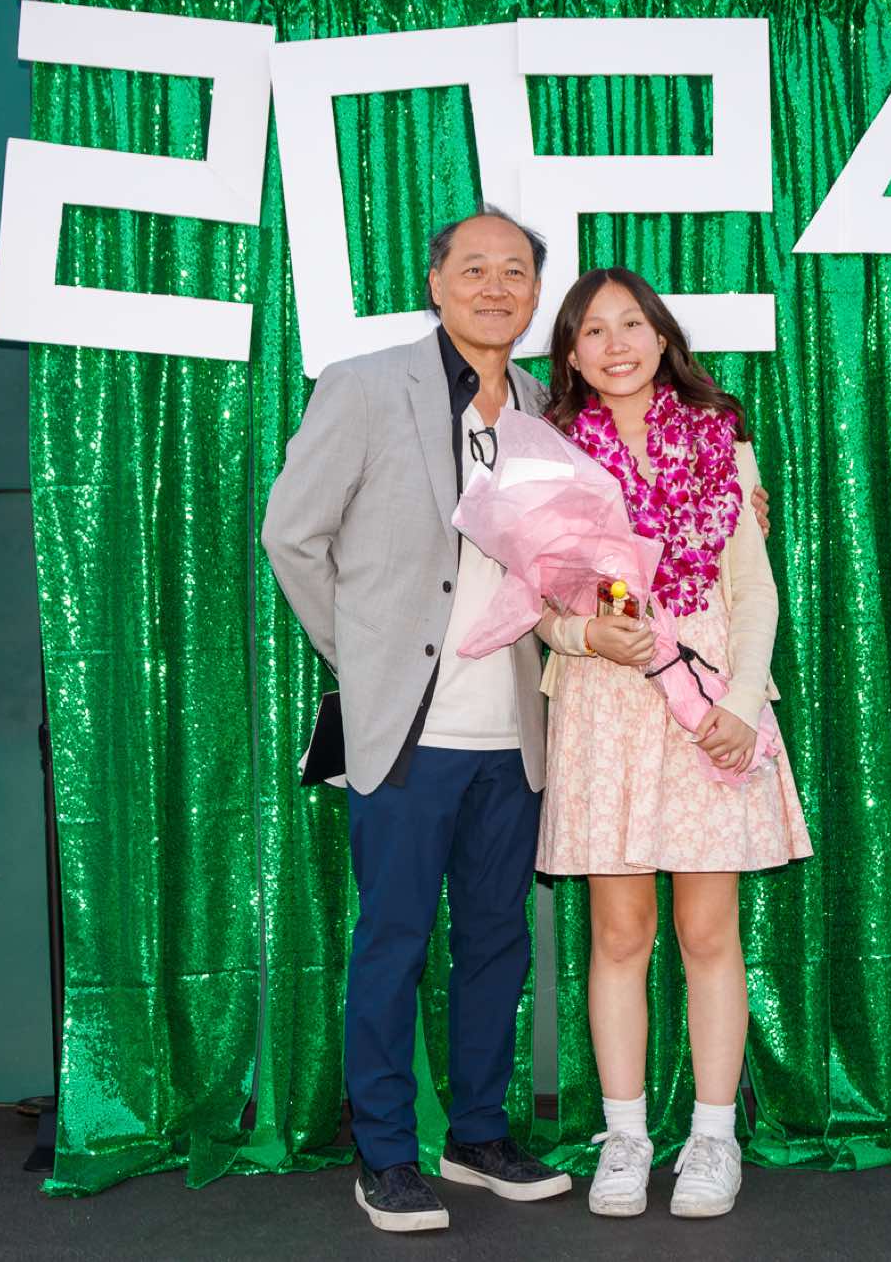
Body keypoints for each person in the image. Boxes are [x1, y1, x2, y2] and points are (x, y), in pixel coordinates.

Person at [262, 206, 571, 1232]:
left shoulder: (543, 410)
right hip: (406, 734)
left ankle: (477, 1134)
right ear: (435, 284)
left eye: (515, 271)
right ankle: (386, 1154)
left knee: (497, 943)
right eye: (473, 268)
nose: (495, 287)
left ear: (535, 295)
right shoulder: (364, 386)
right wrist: (364, 661)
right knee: (393, 941)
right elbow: (291, 535)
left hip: (514, 735)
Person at [533, 266, 811, 1221]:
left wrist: (742, 698)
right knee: (620, 933)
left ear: (661, 338)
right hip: (605, 703)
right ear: (571, 356)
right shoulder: (553, 455)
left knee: (707, 930)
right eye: (593, 331)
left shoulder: (721, 440)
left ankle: (713, 1138)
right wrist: (584, 633)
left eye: (631, 324)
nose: (615, 344)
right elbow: (534, 603)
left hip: (709, 702)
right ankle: (625, 1137)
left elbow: (755, 588)